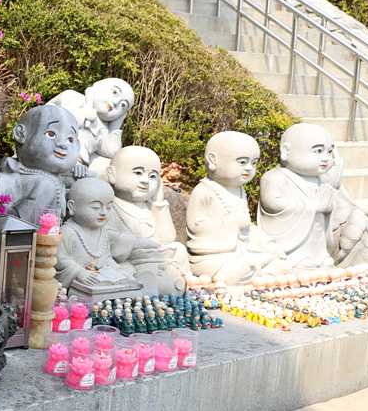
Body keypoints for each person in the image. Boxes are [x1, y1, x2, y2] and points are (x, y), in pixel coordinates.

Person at [186, 132, 289, 286]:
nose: (249, 168)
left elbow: (247, 226)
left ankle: (258, 279)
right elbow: (196, 228)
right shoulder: (204, 191)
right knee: (234, 271)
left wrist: (268, 244)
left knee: (282, 265)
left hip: (246, 249)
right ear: (213, 160)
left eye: (253, 163)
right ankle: (255, 279)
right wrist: (233, 222)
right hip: (218, 254)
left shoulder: (240, 190)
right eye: (242, 162)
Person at [0, 104, 85, 221]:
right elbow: (15, 220)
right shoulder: (43, 183)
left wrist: (80, 174)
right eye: (51, 134)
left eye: (70, 140)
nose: (63, 144)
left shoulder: (52, 177)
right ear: (21, 134)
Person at [105, 145, 189, 294]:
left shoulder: (150, 207)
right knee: (123, 268)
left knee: (180, 248)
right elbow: (107, 240)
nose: (145, 181)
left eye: (152, 177)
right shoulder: (110, 205)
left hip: (158, 258)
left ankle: (188, 286)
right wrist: (135, 243)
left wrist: (159, 203)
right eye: (138, 173)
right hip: (132, 259)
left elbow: (168, 239)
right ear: (112, 174)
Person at [54, 178, 158, 295]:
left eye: (109, 207)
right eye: (96, 207)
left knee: (126, 276)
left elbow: (107, 258)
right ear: (72, 207)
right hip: (80, 282)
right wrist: (79, 272)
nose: (104, 212)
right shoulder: (68, 232)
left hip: (101, 280)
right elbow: (60, 259)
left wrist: (119, 271)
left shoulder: (103, 231)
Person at [258, 124, 336, 270]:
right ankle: (299, 257)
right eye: (318, 151)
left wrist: (328, 206)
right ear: (286, 151)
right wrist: (314, 206)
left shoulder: (319, 179)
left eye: (329, 151)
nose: (326, 158)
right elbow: (272, 204)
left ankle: (319, 256)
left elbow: (326, 204)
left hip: (316, 236)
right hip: (290, 241)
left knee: (320, 249)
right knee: (301, 261)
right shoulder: (274, 177)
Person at [47, 78, 134, 176]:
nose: (115, 102)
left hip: (75, 167)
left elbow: (112, 151)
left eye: (122, 105)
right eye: (114, 92)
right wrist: (82, 113)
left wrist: (114, 127)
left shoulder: (102, 130)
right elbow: (51, 118)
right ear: (97, 86)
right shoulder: (72, 97)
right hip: (48, 151)